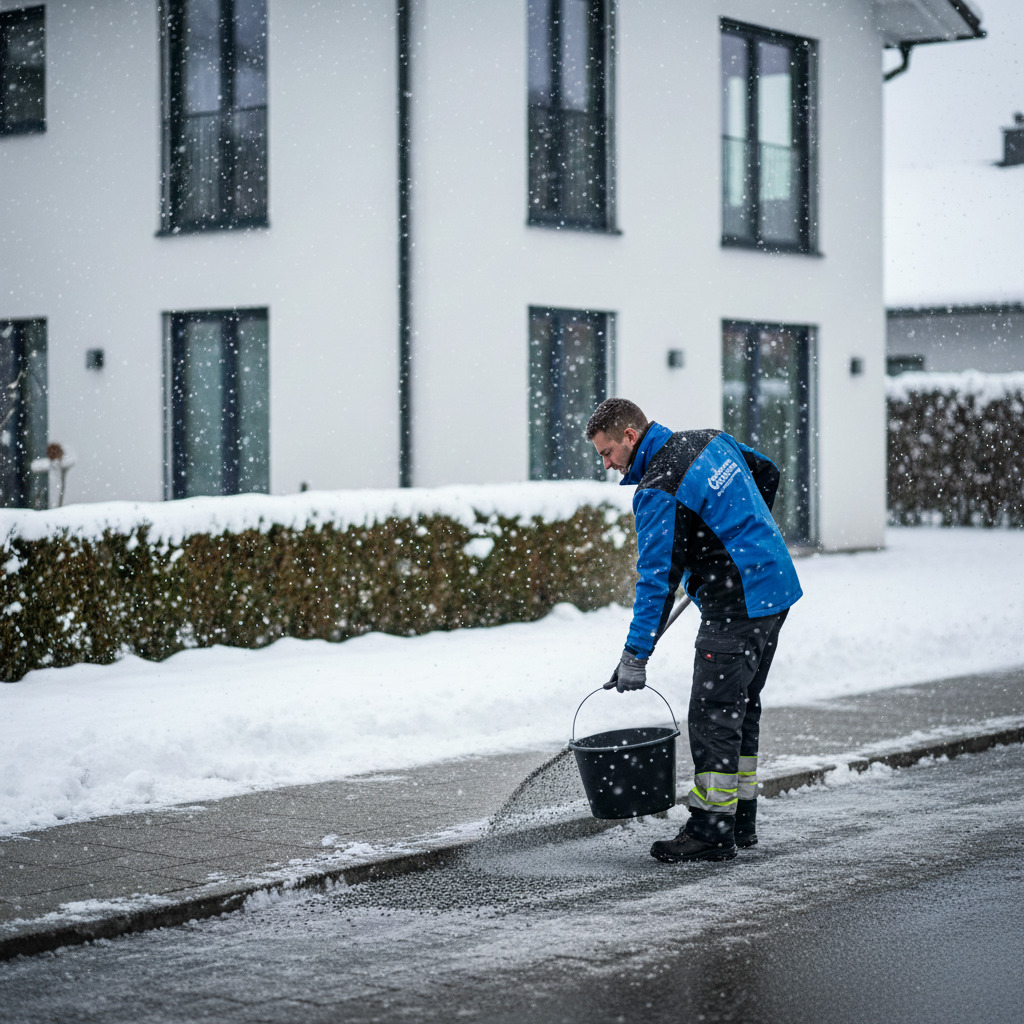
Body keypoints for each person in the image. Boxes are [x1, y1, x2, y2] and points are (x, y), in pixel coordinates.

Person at [585, 397, 802, 863]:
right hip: (774, 587)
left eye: (607, 452)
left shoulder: (658, 488)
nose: (607, 465)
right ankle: (740, 820)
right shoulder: (709, 440)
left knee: (712, 717)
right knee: (740, 708)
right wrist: (744, 539)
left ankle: (710, 830)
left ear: (630, 437)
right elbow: (767, 472)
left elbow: (655, 582)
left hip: (737, 604)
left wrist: (635, 655)